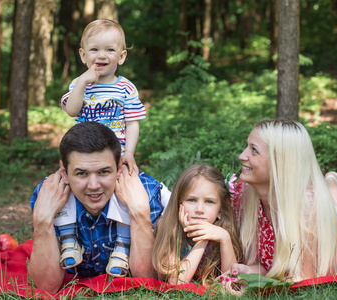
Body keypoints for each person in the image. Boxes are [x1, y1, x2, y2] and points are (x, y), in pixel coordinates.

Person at [223, 119, 337, 294]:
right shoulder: (243, 193)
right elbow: (263, 263)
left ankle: (331, 180)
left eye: (254, 150)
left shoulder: (310, 211)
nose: (242, 155)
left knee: (336, 205)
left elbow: (302, 280)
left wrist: (256, 286)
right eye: (247, 146)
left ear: (279, 162)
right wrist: (250, 272)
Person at [28, 122, 165, 293]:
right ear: (64, 172)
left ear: (118, 167)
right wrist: (42, 219)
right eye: (82, 173)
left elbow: (147, 282)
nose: (93, 185)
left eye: (103, 172)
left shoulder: (146, 192)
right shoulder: (49, 194)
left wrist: (140, 213)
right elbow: (46, 287)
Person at [56, 19, 147, 276]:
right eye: (94, 50)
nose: (101, 55)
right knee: (68, 189)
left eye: (109, 50)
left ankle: (122, 244)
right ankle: (68, 238)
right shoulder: (79, 84)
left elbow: (132, 122)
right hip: (82, 154)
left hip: (113, 156)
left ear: (122, 55)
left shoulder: (125, 87)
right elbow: (72, 110)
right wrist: (84, 83)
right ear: (83, 55)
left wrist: (129, 152)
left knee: (122, 194)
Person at [152, 164, 243, 287]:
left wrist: (225, 239)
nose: (200, 209)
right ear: (179, 203)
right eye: (192, 200)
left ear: (220, 211)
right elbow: (177, 281)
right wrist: (203, 238)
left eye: (209, 202)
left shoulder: (224, 233)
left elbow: (232, 283)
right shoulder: (169, 228)